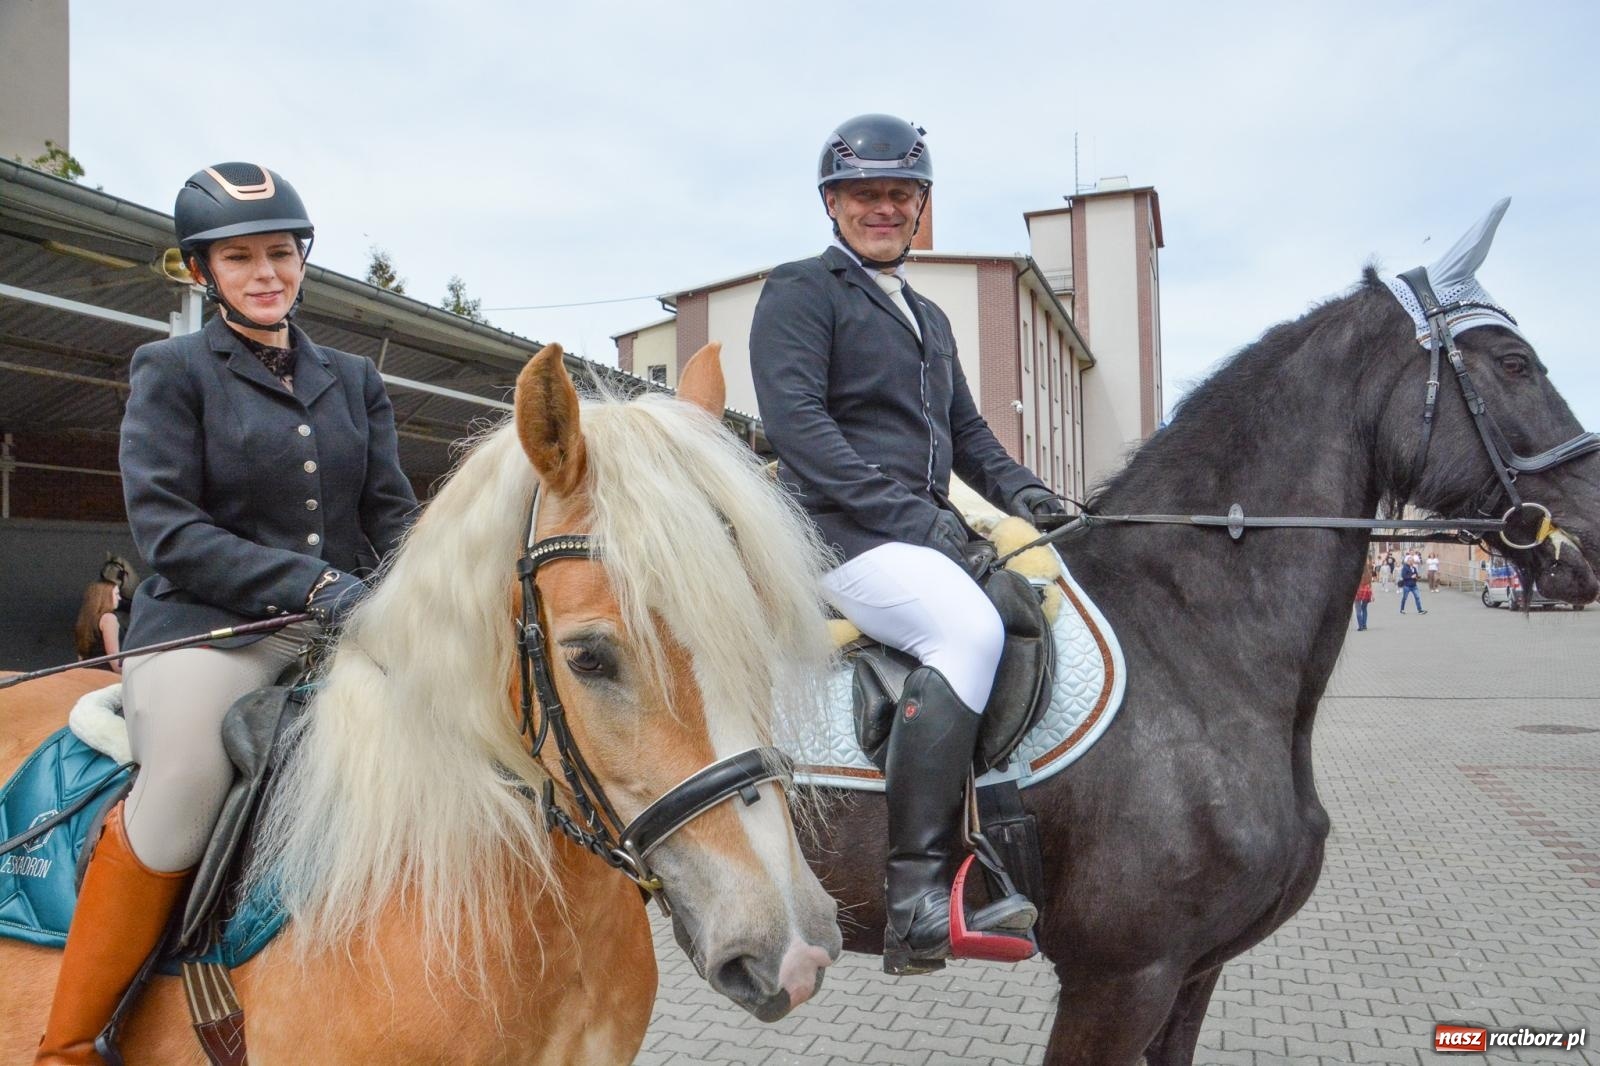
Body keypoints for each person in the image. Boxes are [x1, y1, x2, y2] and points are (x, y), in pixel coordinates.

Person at [36, 163, 418, 1065]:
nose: (265, 273)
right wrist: (317, 586)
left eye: (279, 253)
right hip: (210, 630)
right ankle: (70, 1037)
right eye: (239, 257)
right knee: (182, 788)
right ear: (203, 273)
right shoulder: (169, 370)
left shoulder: (355, 378)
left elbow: (392, 517)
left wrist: (425, 592)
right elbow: (169, 531)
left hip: (347, 627)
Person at [750, 115, 1059, 975]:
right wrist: (921, 521)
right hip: (838, 535)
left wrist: (1028, 494)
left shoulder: (927, 316)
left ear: (920, 206)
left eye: (899, 195)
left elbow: (967, 434)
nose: (882, 209)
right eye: (864, 195)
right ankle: (919, 894)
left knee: (1032, 603)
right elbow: (801, 430)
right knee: (966, 630)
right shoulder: (801, 293)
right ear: (832, 204)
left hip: (909, 529)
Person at [72, 579, 122, 672]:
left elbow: (81, 656)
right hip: (107, 675)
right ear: (105, 597)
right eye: (116, 594)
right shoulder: (108, 618)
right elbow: (114, 657)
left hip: (88, 674)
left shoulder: (85, 621)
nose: (119, 598)